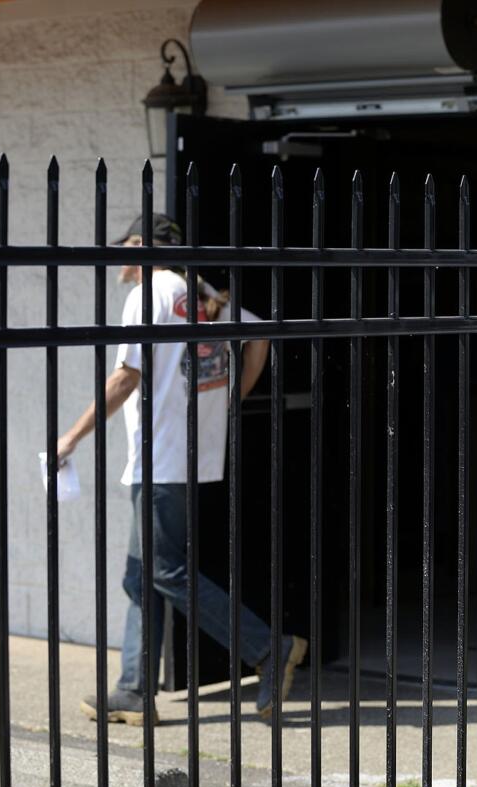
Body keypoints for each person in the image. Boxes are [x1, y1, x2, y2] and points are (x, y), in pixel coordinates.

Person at [57, 213, 307, 726]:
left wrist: (70, 437)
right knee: (141, 573)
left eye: (126, 246)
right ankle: (133, 690)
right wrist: (230, 400)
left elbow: (125, 379)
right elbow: (258, 337)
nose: (120, 260)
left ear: (145, 246)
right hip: (194, 452)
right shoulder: (202, 294)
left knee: (164, 568)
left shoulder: (149, 294)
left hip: (161, 454)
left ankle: (266, 647)